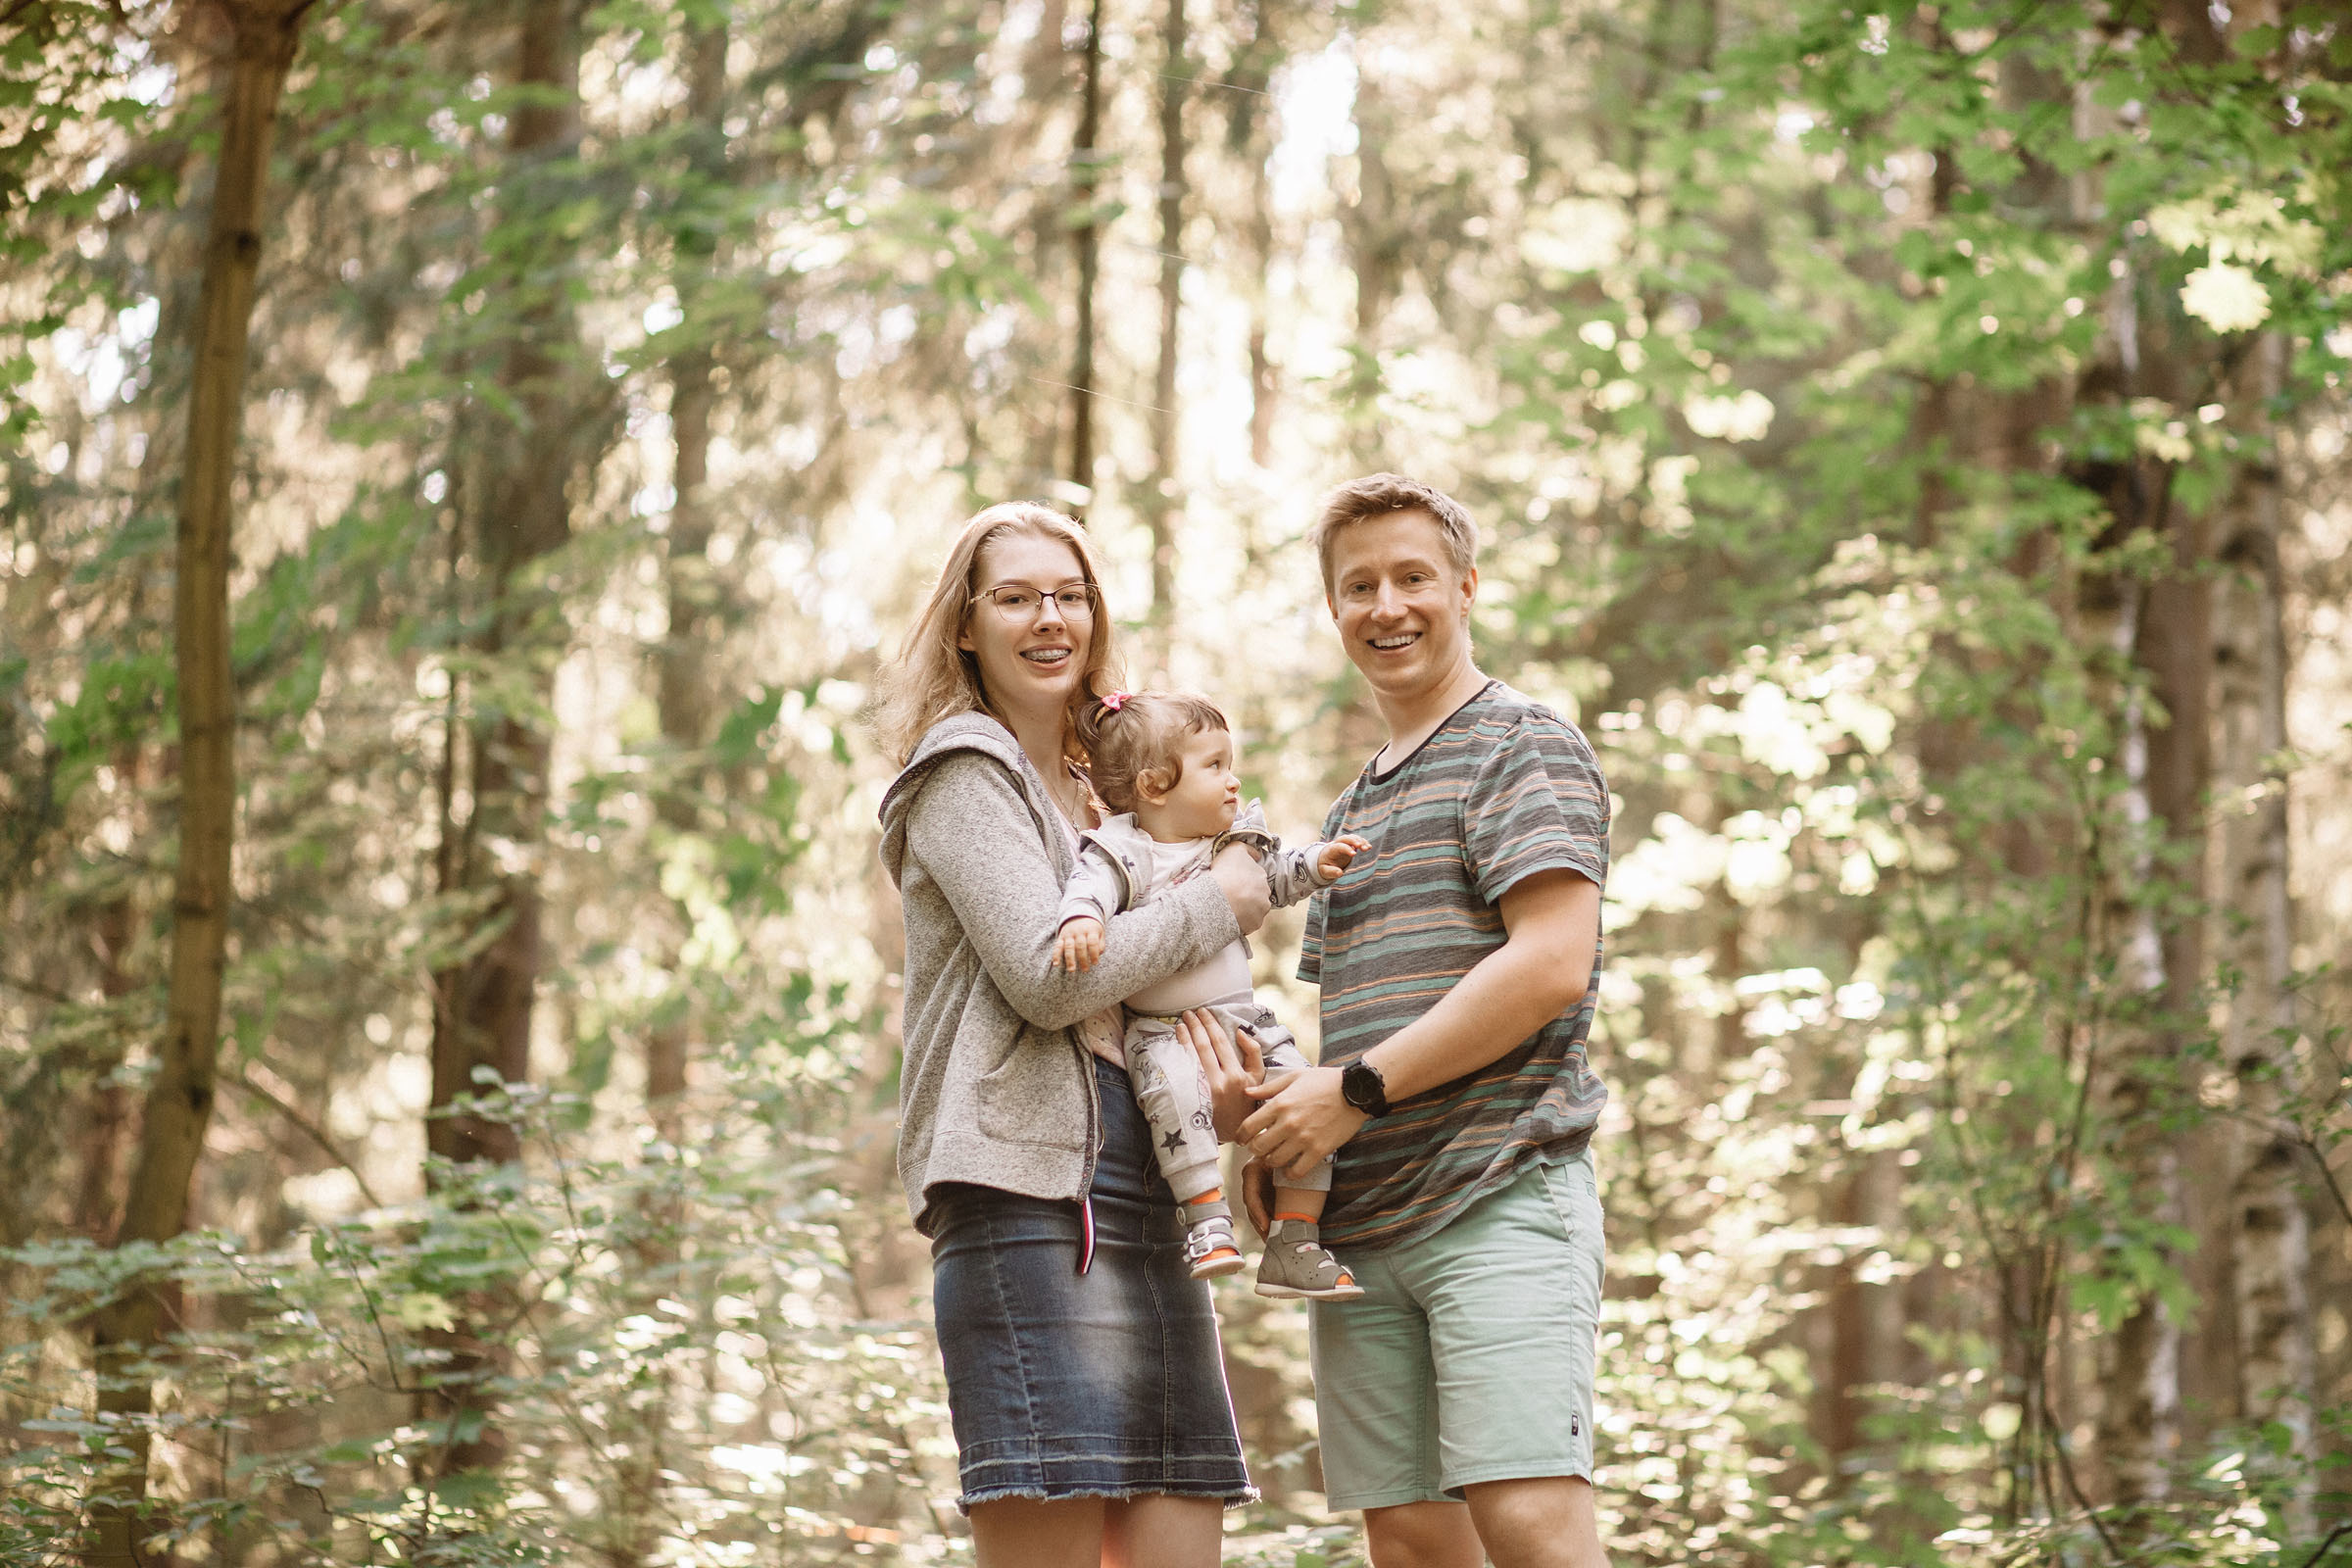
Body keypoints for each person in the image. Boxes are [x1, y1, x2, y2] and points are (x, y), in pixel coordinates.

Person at [874, 502, 1274, 1568]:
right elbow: (1054, 983)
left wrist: (1224, 1094)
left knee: (1181, 1535)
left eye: (1070, 594)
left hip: (1151, 1184)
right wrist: (1226, 900)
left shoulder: (1118, 780)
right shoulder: (962, 772)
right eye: (1015, 597)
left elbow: (1162, 985)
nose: (1049, 618)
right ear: (967, 625)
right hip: (1027, 1194)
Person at [1238, 473, 1615, 1568]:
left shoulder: (1519, 744)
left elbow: (1549, 964)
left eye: (1413, 577)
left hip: (1500, 1191)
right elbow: (1352, 1017)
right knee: (1407, 1538)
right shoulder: (1353, 809)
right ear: (1334, 609)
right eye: (1359, 585)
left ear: (1465, 587)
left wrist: (1351, 1094)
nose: (1387, 606)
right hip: (1362, 1228)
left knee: (1531, 1523)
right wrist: (1283, 1135)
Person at [1050, 688, 1373, 1298]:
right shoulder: (1125, 850)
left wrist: (1315, 865)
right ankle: (1205, 1221)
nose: (1233, 781)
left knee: (1305, 1104)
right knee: (1174, 1100)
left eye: (1231, 764)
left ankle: (1295, 1240)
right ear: (1153, 785)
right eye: (1214, 765)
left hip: (1245, 1021)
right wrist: (1082, 921)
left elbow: (1272, 881)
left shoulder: (1228, 845)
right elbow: (1089, 889)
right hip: (1163, 1032)